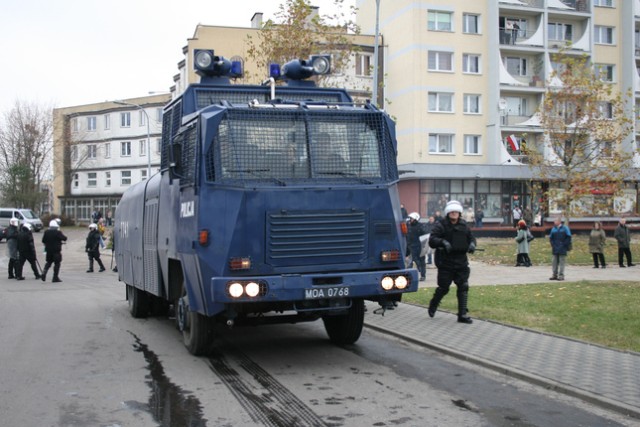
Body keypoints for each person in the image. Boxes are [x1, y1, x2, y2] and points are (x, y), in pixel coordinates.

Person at [428, 200, 477, 324]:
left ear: (459, 213)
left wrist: (472, 244)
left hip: (461, 262)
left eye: (456, 211)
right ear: (448, 213)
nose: (454, 213)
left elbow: (471, 238)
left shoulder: (464, 225)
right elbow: (432, 240)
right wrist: (443, 242)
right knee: (444, 288)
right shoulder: (441, 225)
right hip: (446, 262)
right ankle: (433, 304)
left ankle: (462, 314)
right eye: (452, 211)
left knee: (463, 286)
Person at [406, 212, 428, 281]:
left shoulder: (421, 226)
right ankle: (408, 276)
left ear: (416, 219)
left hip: (419, 247)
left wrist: (424, 247)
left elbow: (425, 236)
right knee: (411, 261)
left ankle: (423, 275)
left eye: (411, 218)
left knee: (421, 262)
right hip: (411, 247)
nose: (410, 220)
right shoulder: (409, 226)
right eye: (410, 218)